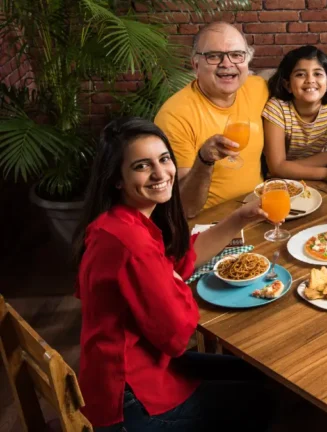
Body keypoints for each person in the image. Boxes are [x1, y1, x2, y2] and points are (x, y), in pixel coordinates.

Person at [73, 118, 273, 431]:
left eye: (164, 159)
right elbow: (179, 336)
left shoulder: (113, 224)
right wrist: (175, 284)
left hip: (125, 371)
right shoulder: (133, 244)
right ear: (116, 179)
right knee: (267, 397)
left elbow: (181, 260)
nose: (160, 174)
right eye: (142, 166)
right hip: (133, 398)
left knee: (261, 372)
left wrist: (239, 218)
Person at [155, 22, 327, 217]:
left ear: (247, 60)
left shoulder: (256, 88)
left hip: (259, 205)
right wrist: (204, 160)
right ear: (195, 64)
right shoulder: (175, 116)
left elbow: (304, 90)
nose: (227, 64)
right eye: (214, 56)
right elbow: (185, 208)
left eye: (236, 55)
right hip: (211, 218)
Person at [262, 45, 327, 186]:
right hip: (279, 180)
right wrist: (325, 173)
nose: (310, 80)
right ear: (288, 85)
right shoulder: (277, 108)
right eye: (300, 74)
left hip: (306, 173)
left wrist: (286, 167)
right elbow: (275, 167)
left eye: (317, 74)